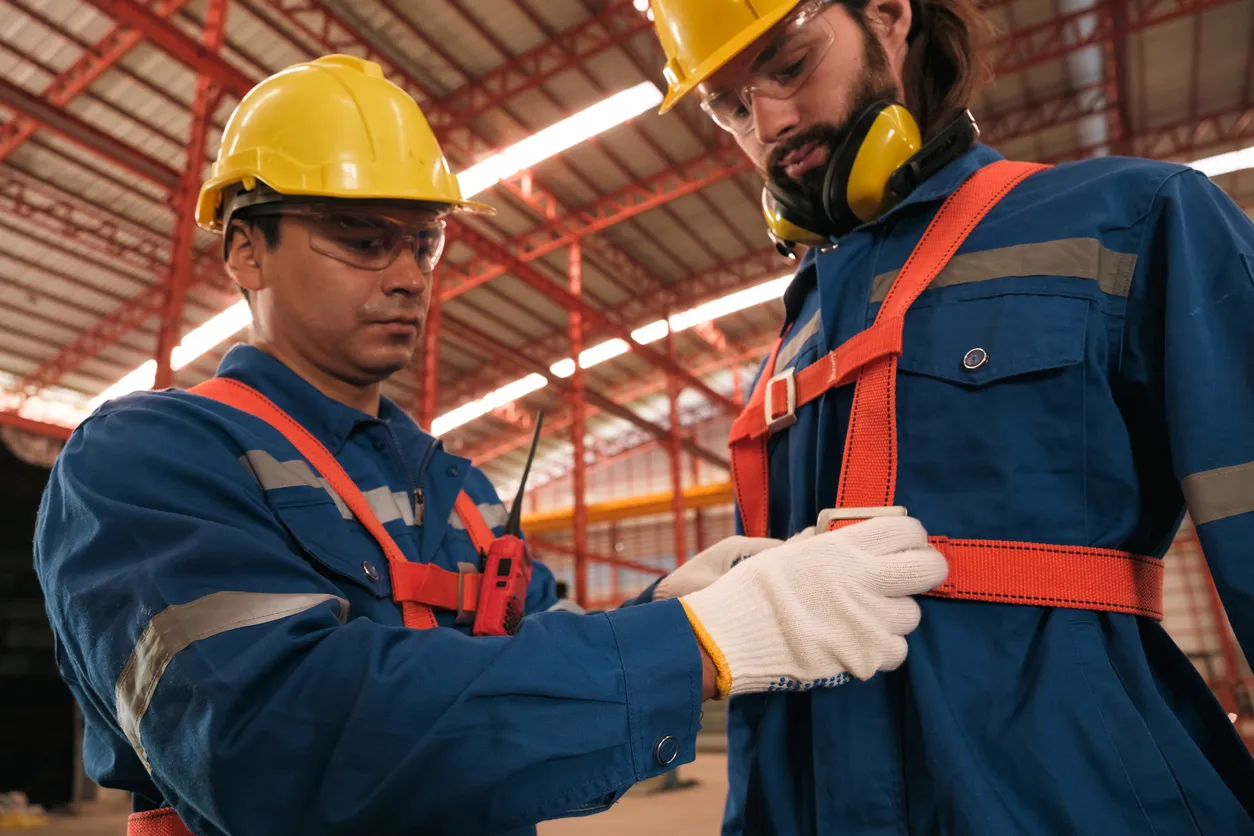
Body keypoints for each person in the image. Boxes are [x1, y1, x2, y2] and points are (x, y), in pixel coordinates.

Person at [32, 54, 951, 836]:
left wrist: (659, 607)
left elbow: (532, 712)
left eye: (422, 244)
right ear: (244, 249)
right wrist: (690, 644)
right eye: (361, 239)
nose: (405, 278)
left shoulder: (457, 490)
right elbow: (269, 742)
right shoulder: (146, 462)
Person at [639, 0, 1254, 833]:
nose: (770, 121)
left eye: (788, 67)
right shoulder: (794, 342)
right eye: (734, 107)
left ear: (889, 13)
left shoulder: (1133, 218)